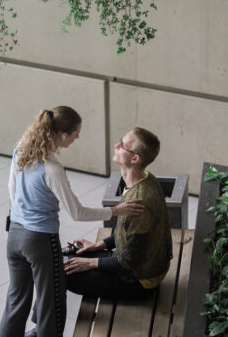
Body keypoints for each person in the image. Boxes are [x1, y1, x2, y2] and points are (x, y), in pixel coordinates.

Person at [0, 107, 144, 337]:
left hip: (15, 236)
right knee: (51, 301)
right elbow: (77, 212)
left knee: (16, 300)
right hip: (40, 241)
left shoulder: (20, 151)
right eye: (76, 133)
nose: (78, 137)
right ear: (63, 135)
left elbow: (12, 193)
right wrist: (115, 210)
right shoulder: (53, 169)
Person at [63, 127, 172, 300]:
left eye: (122, 145)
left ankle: (46, 326)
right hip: (136, 265)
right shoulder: (144, 178)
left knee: (63, 273)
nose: (115, 145)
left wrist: (90, 263)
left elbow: (128, 262)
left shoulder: (139, 202)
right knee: (68, 256)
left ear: (135, 158)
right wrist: (99, 246)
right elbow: (129, 235)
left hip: (140, 282)